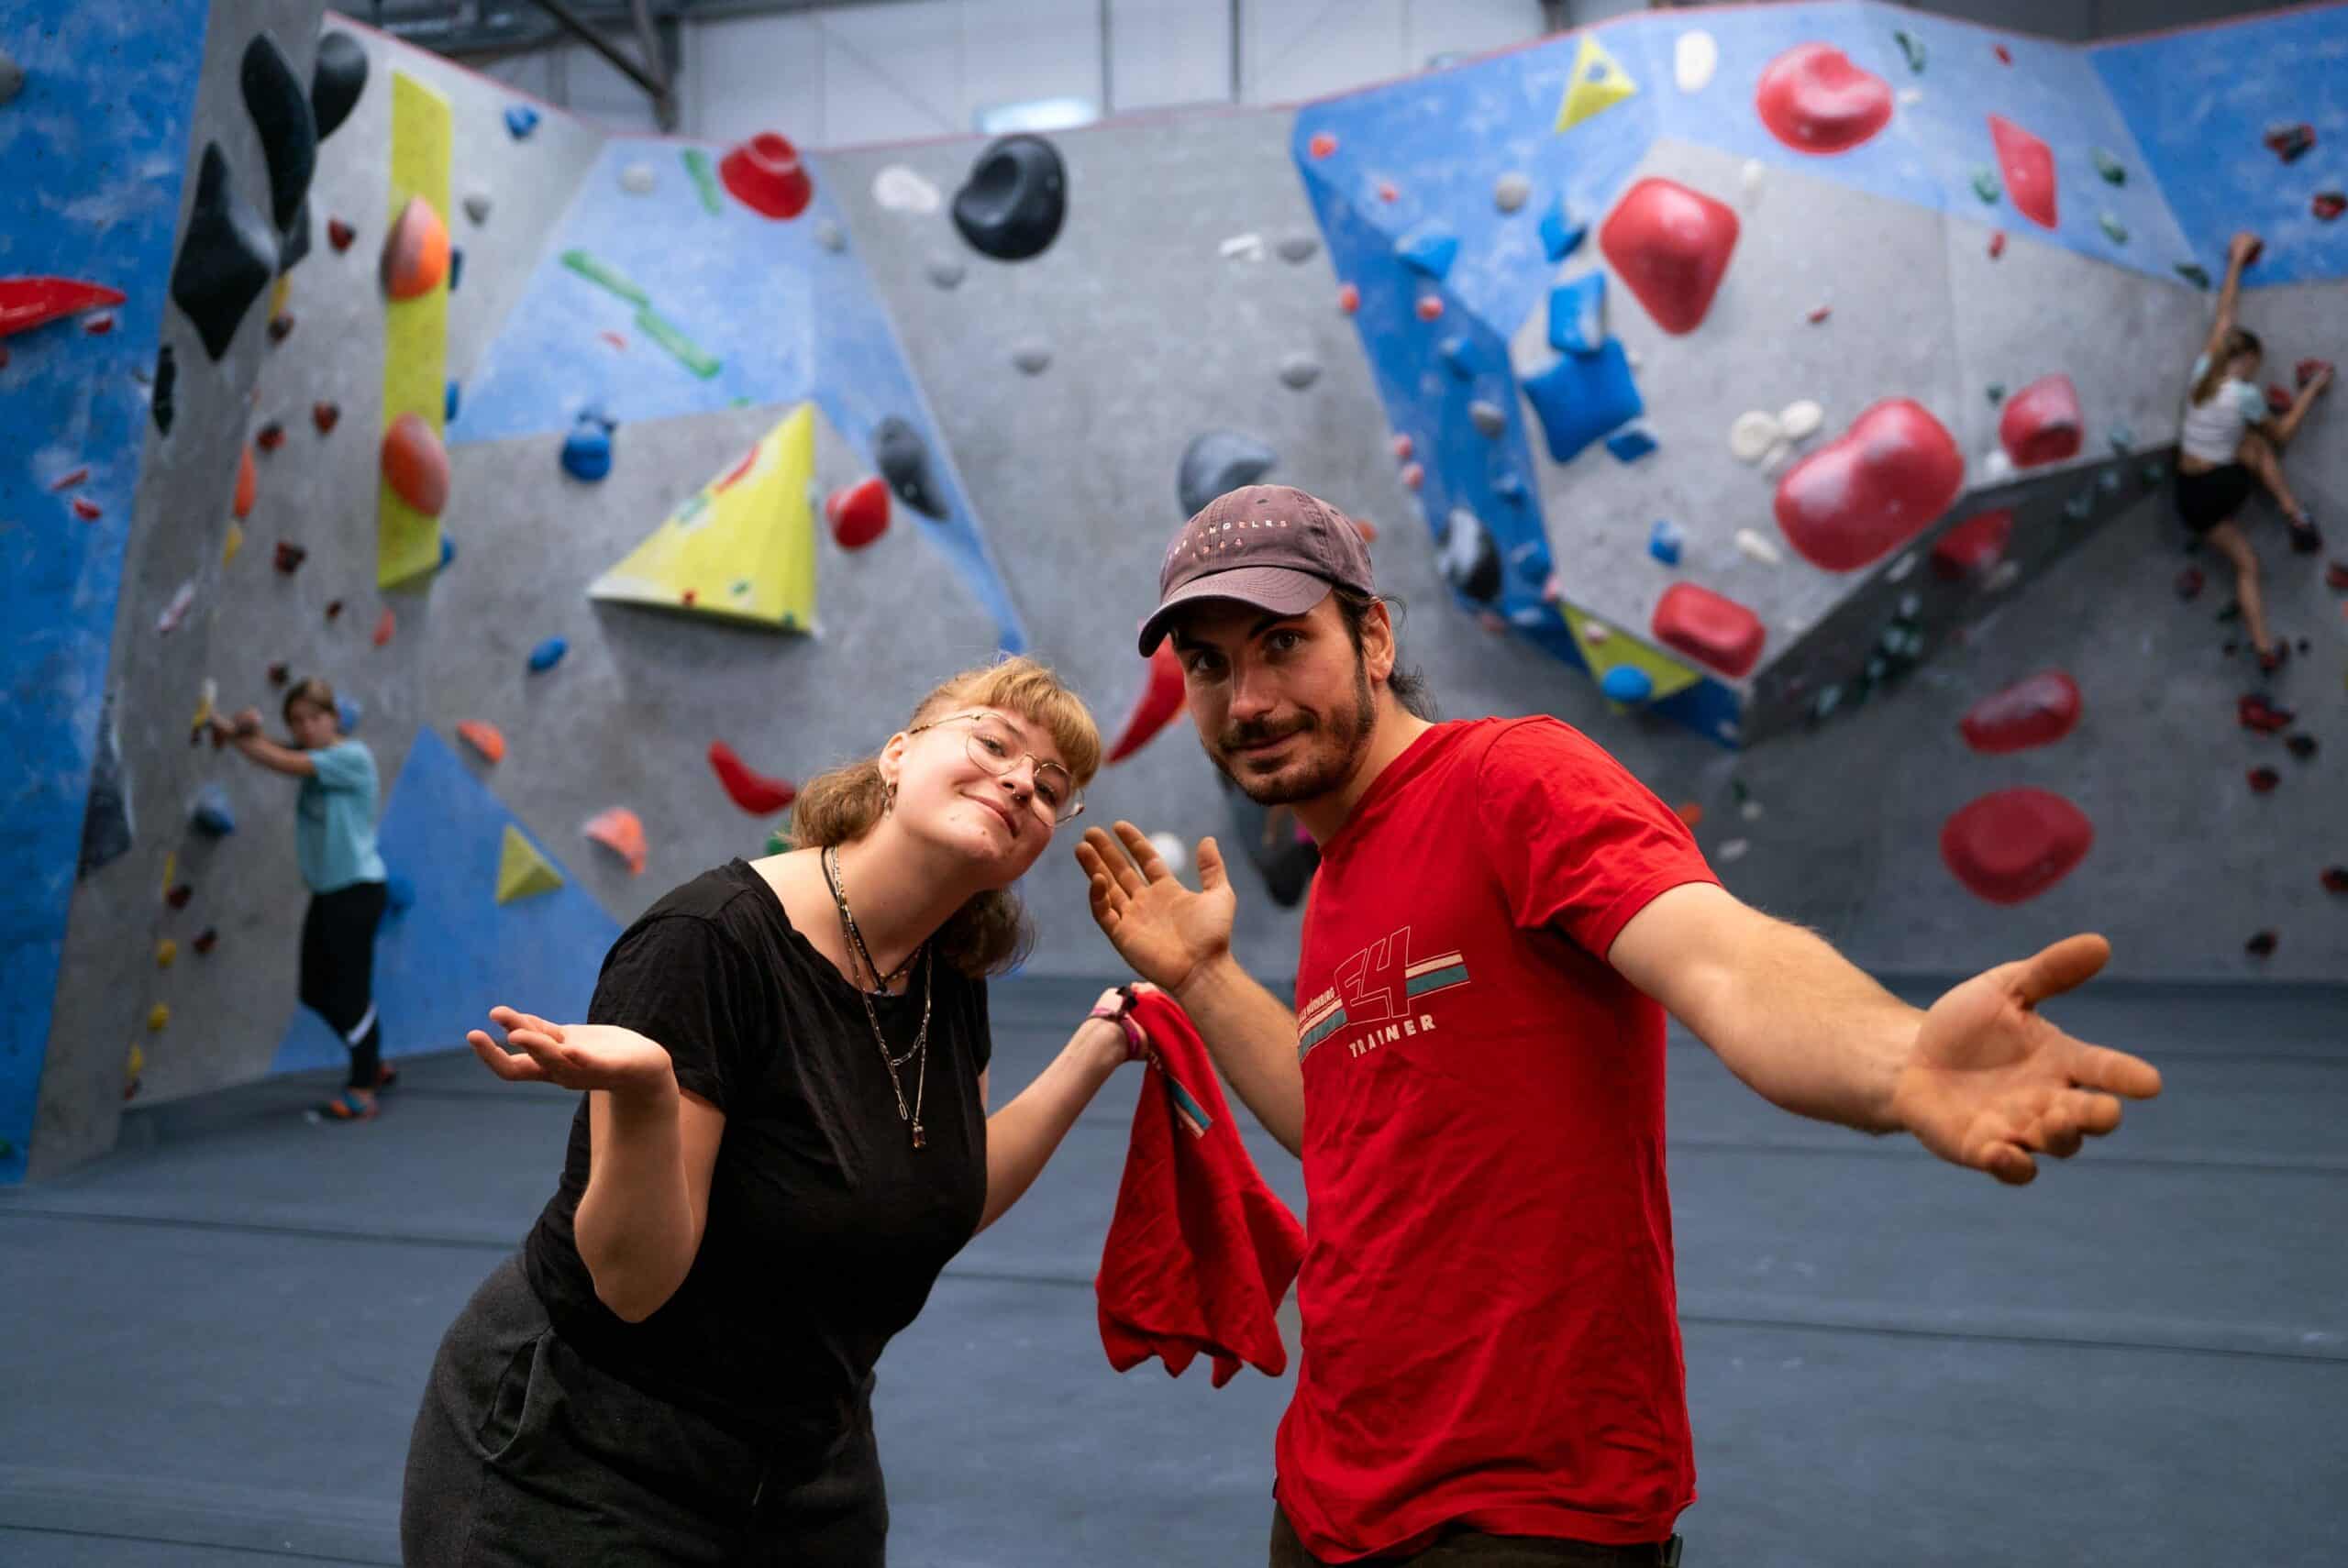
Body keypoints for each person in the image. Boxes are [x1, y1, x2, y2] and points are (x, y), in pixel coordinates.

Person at [1074, 484, 2166, 1567]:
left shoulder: (1513, 781)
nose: (1247, 698)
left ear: (1371, 636)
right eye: (1208, 665)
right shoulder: (1341, 875)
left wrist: (1897, 1056)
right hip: (1331, 1484)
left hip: (1530, 1509)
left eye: (1279, 643)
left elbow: (1722, 957)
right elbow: (1345, 1128)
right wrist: (1205, 981)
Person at [402, 655, 1153, 1566]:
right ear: (896, 756)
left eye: (1049, 788)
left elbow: (940, 1190)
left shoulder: (941, 970)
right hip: (586, 1453)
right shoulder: (706, 944)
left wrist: (1099, 1045)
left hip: (808, 1462)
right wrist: (643, 1093)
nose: (1018, 783)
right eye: (993, 743)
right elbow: (631, 1285)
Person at [209, 677, 393, 1121]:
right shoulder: (319, 755)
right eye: (297, 721)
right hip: (333, 892)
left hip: (356, 890)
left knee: (347, 993)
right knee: (316, 990)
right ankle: (370, 1059)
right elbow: (274, 746)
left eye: (315, 718)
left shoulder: (351, 756)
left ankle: (363, 1085)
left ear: (333, 718)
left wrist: (229, 732)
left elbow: (280, 760)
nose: (307, 727)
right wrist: (230, 726)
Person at [2176, 229, 2332, 673]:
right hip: (2220, 488)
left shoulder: (2202, 372)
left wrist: (2236, 261)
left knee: (2246, 564)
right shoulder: (2243, 394)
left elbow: (2224, 318)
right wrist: (2311, 391)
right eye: (2255, 366)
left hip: (2188, 498)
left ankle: (2266, 649)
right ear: (2244, 364)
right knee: (2259, 446)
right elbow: (2282, 435)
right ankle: (2295, 515)